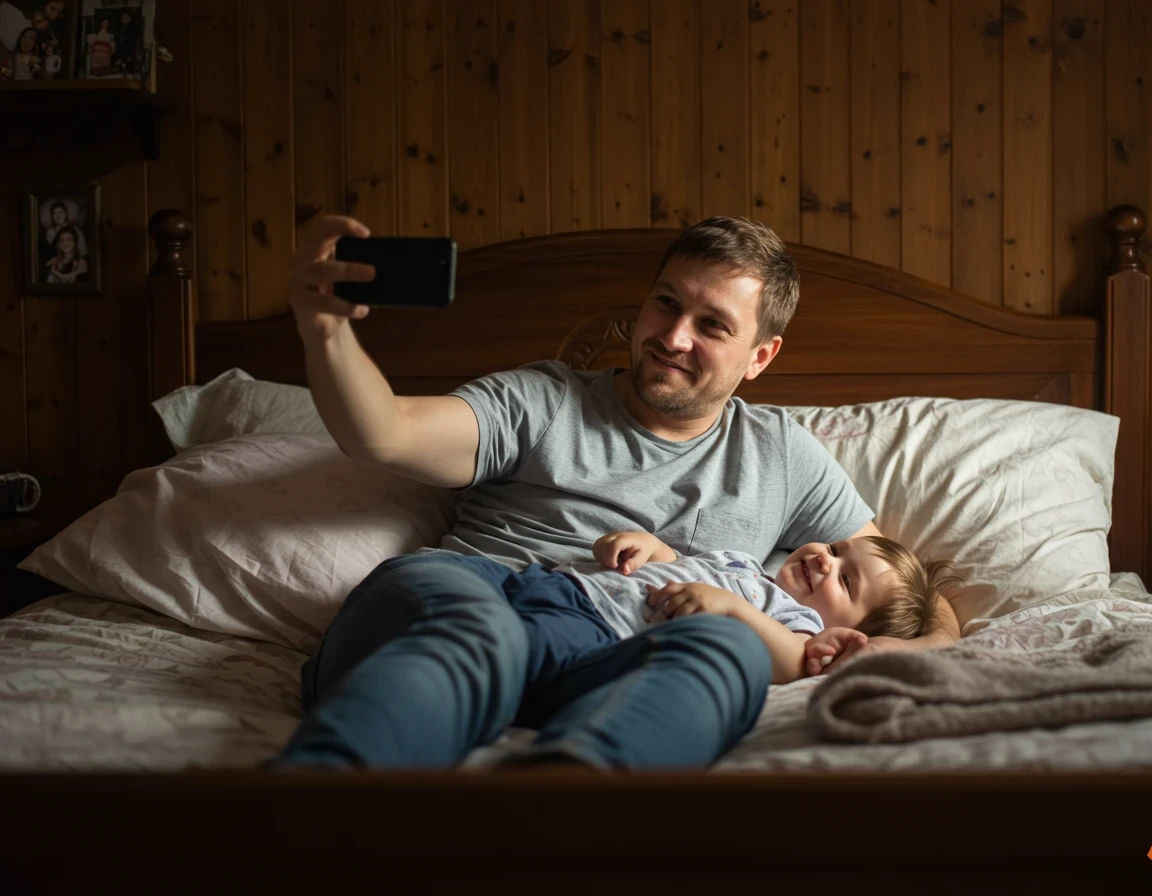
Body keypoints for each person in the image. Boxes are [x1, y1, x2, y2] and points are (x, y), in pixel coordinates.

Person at [272, 214, 962, 772]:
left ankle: (575, 807)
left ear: (760, 356)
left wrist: (896, 652)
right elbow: (385, 433)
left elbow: (902, 592)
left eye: (712, 325)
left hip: (604, 653)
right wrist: (325, 331)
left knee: (728, 650)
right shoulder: (541, 399)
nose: (673, 337)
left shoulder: (782, 454)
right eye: (666, 303)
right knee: (479, 629)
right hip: (478, 593)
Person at [577, 529, 960, 683]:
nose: (825, 559)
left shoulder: (798, 622)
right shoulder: (743, 563)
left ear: (847, 634)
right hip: (573, 586)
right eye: (834, 549)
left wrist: (732, 608)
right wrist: (650, 547)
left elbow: (794, 660)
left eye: (845, 581)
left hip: (602, 628)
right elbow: (683, 564)